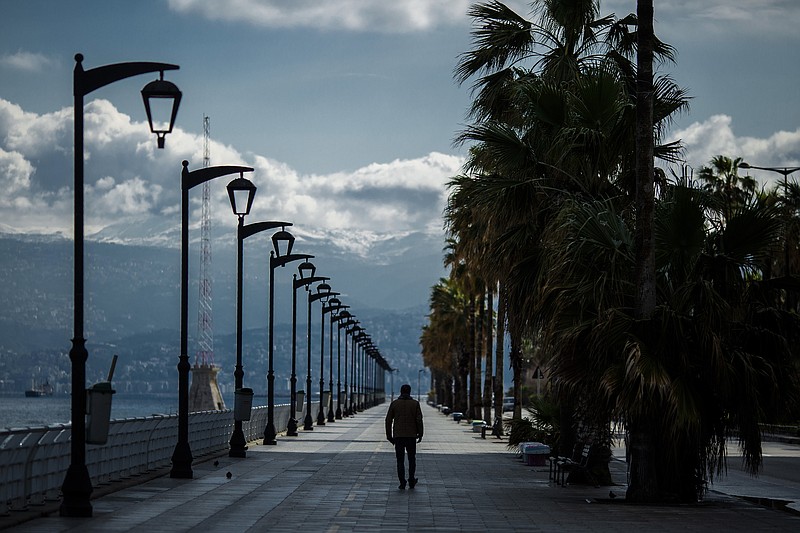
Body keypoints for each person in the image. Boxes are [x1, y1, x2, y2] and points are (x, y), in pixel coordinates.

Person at [385, 383, 424, 490]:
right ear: (410, 392)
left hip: (398, 436)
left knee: (400, 460)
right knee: (412, 459)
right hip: (411, 436)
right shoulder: (415, 404)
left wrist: (389, 436)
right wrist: (420, 434)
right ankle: (411, 479)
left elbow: (388, 420)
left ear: (401, 392)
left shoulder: (394, 404)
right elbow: (419, 420)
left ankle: (402, 481)